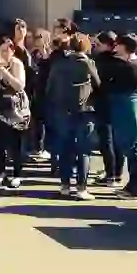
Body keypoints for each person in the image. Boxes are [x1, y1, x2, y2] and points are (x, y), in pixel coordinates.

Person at [46, 33, 100, 199]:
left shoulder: (59, 64)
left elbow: (49, 88)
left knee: (65, 149)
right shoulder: (88, 64)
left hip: (63, 112)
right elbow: (98, 85)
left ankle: (65, 185)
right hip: (84, 112)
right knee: (83, 150)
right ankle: (81, 188)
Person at [108, 33, 137, 200]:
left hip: (129, 111)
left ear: (124, 46)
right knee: (130, 148)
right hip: (130, 109)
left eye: (117, 44)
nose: (115, 47)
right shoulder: (131, 63)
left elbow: (114, 85)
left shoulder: (131, 66)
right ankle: (132, 185)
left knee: (133, 149)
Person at [0, 38, 30, 189]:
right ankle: (1, 173)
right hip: (0, 106)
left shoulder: (16, 64)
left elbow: (20, 85)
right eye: (2, 50)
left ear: (13, 51)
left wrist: (5, 73)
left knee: (15, 143)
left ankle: (17, 175)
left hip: (16, 107)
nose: (5, 53)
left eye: (8, 50)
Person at [91, 31, 120, 186]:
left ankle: (110, 175)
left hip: (103, 104)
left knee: (106, 141)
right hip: (117, 104)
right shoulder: (120, 60)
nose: (96, 47)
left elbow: (96, 82)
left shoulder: (101, 60)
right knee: (115, 141)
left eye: (98, 44)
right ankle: (116, 173)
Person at [27, 28, 52, 161]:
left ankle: (44, 148)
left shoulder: (50, 55)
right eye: (35, 37)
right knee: (37, 122)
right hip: (35, 92)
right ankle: (38, 148)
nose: (36, 39)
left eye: (39, 37)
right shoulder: (33, 54)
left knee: (44, 122)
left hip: (47, 92)